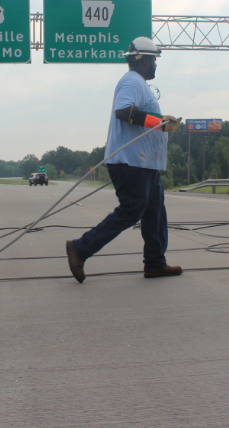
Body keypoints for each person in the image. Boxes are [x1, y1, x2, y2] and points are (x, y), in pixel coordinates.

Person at [66, 36, 182, 283]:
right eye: (153, 60)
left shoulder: (139, 83)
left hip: (145, 164)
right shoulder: (131, 81)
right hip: (132, 162)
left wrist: (161, 124)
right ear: (142, 60)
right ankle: (80, 248)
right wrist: (159, 122)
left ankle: (155, 263)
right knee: (131, 210)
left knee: (155, 214)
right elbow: (124, 111)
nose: (155, 65)